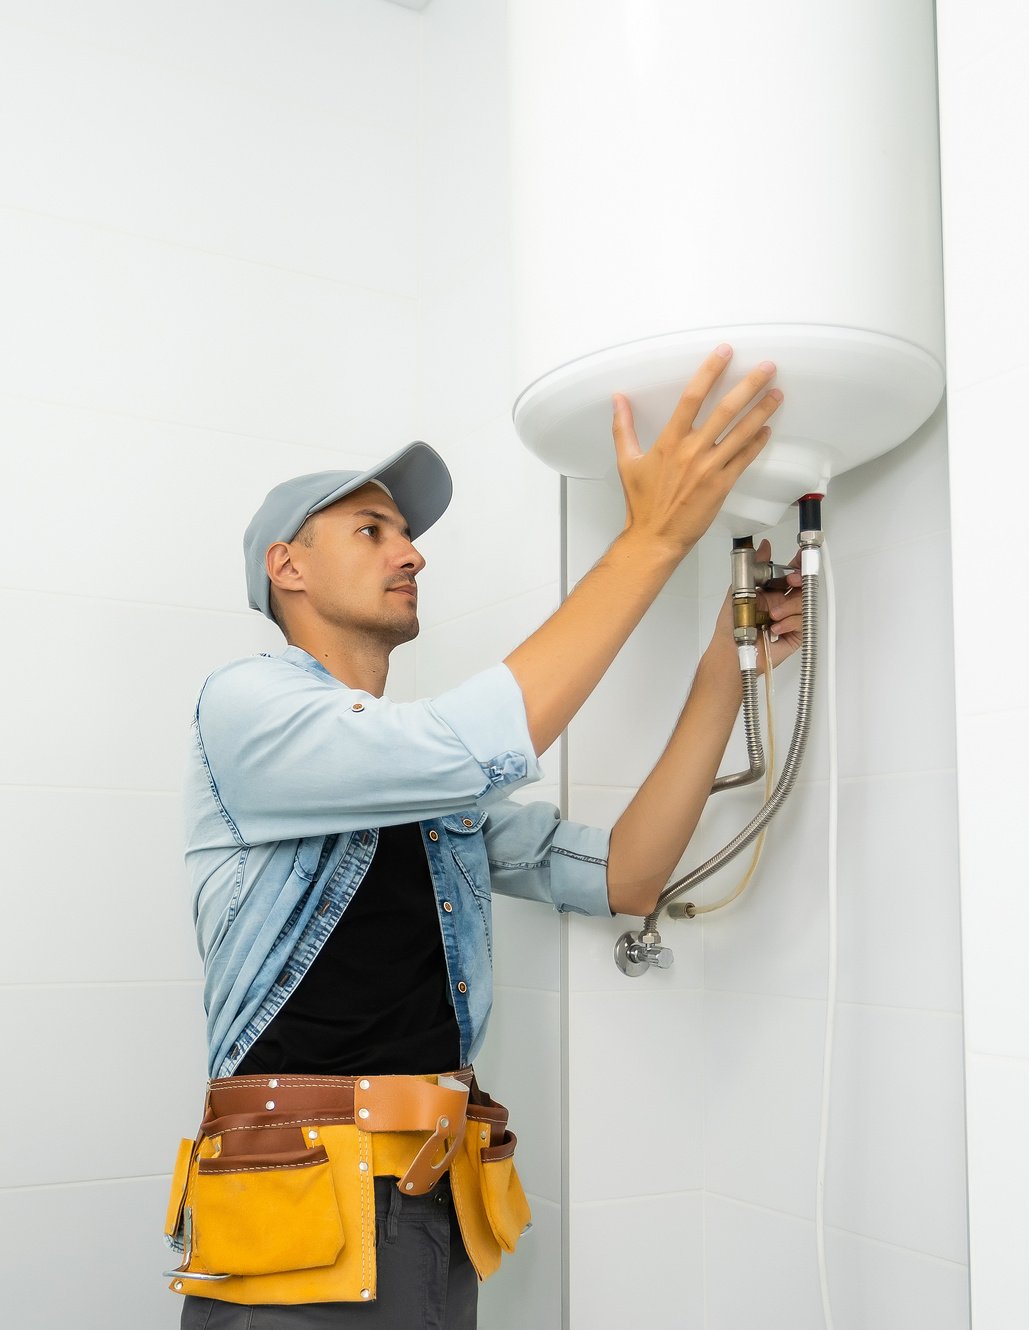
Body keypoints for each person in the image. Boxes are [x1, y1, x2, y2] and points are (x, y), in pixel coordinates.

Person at [169, 347, 805, 1327]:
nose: (412, 552)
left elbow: (630, 872)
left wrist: (731, 651)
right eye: (373, 528)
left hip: (431, 1209)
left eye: (409, 535)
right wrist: (653, 539)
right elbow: (470, 745)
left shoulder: (423, 791)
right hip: (293, 1213)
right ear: (285, 567)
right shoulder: (246, 708)